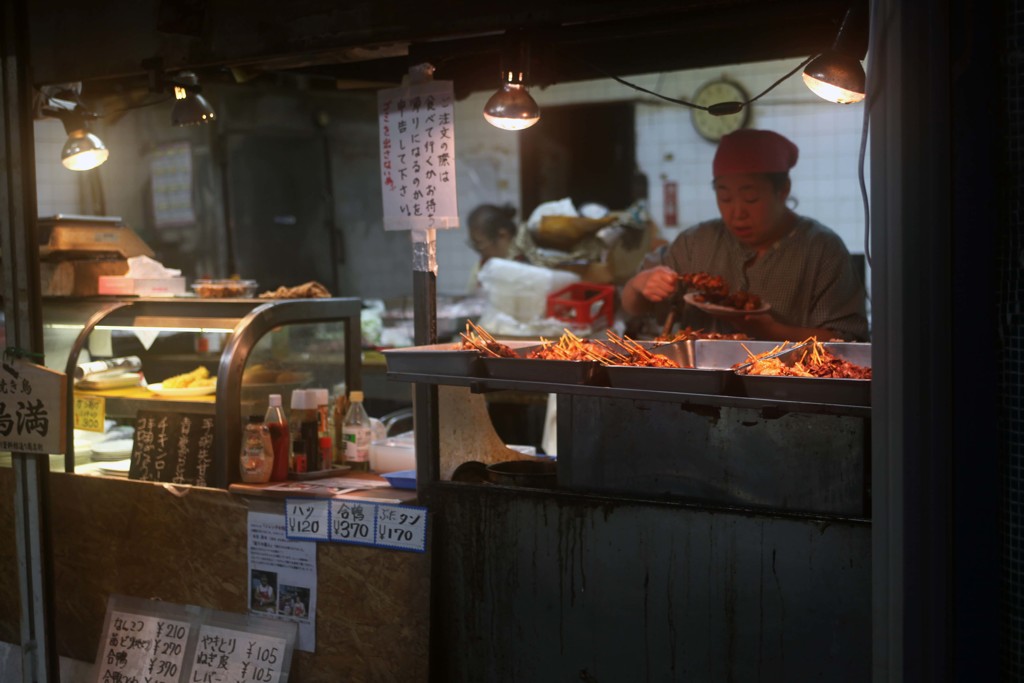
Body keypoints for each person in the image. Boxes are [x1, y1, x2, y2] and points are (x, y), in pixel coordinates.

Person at [621, 129, 868, 341]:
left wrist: (772, 330)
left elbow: (847, 339)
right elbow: (637, 308)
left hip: (786, 389)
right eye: (724, 197)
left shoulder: (822, 249)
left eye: (751, 198)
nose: (737, 213)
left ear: (783, 190)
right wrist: (638, 285)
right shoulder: (695, 243)